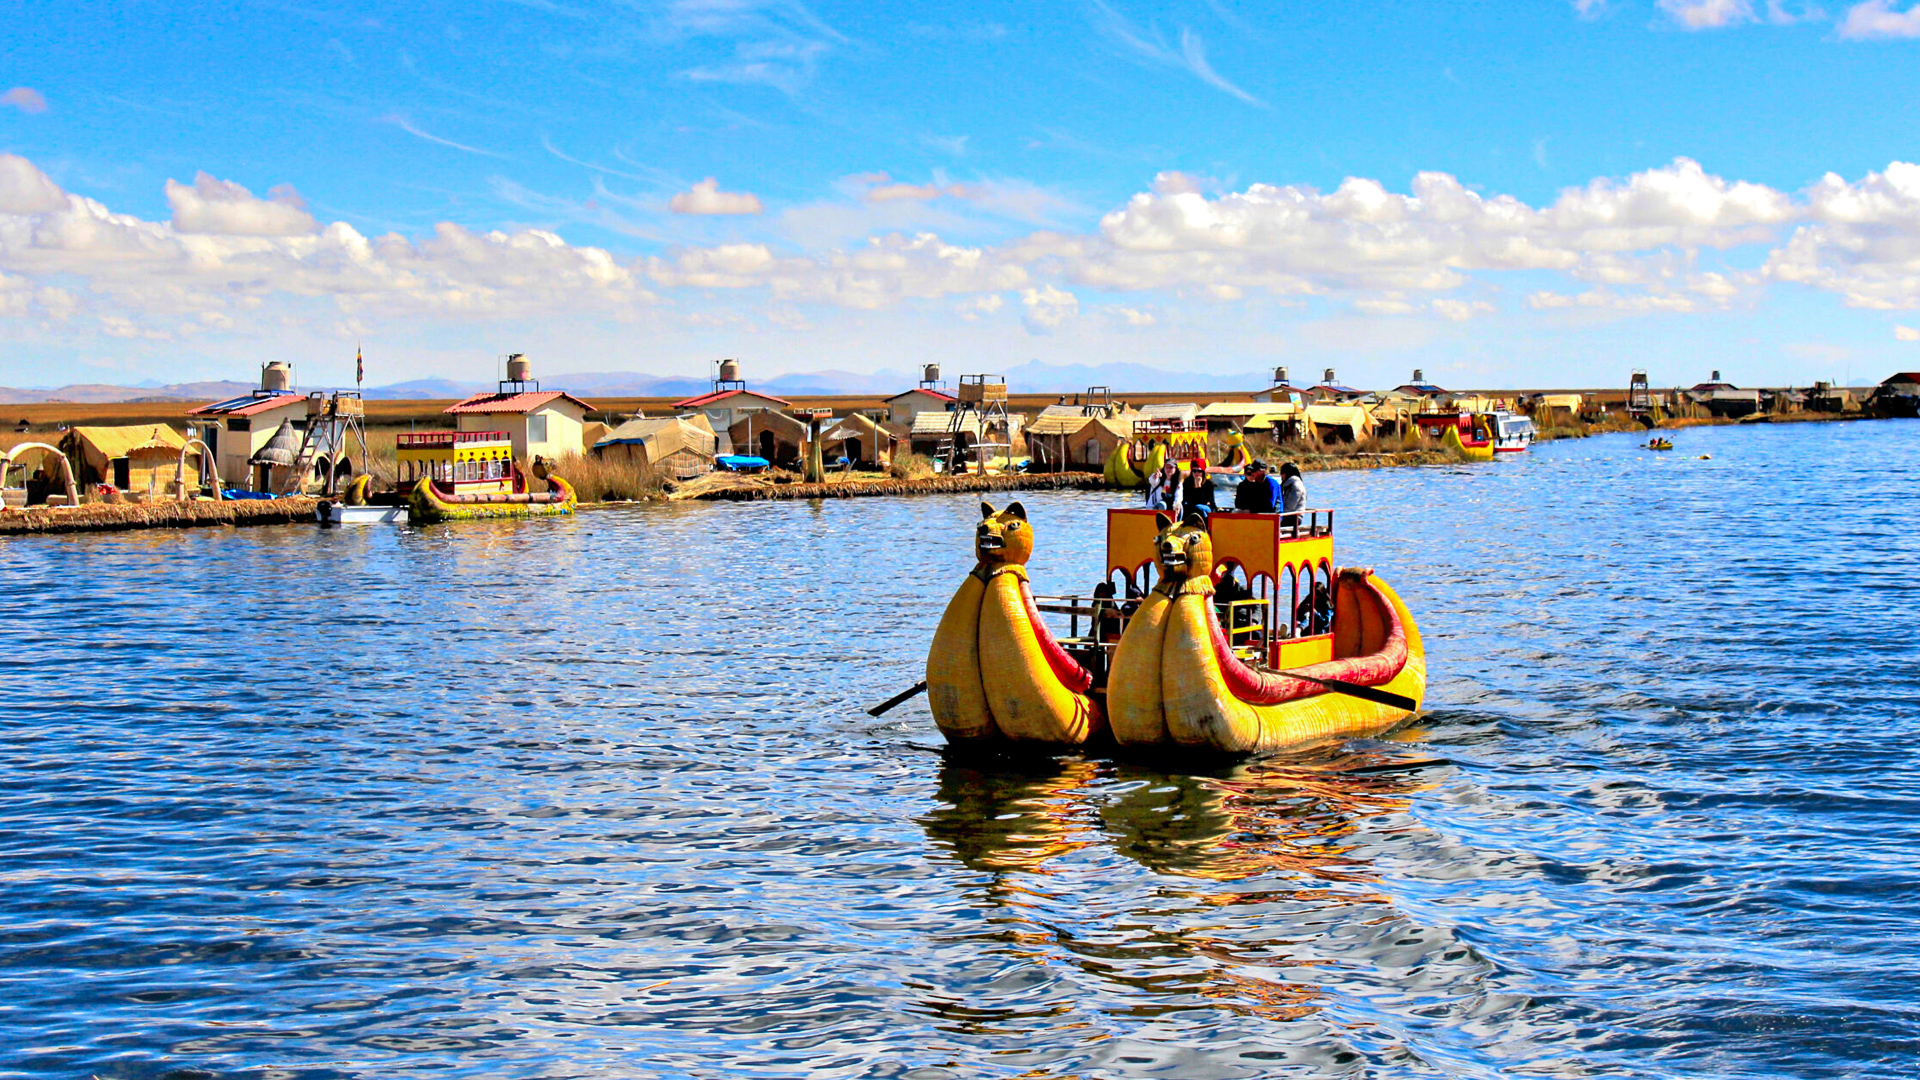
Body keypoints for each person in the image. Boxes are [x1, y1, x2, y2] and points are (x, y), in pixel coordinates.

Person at [1278, 462, 1306, 532]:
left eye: (1282, 473)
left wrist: (1278, 513)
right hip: (1286, 516)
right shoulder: (1286, 485)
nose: (1281, 476)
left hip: (1294, 517)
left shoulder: (1296, 485)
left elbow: (1290, 506)